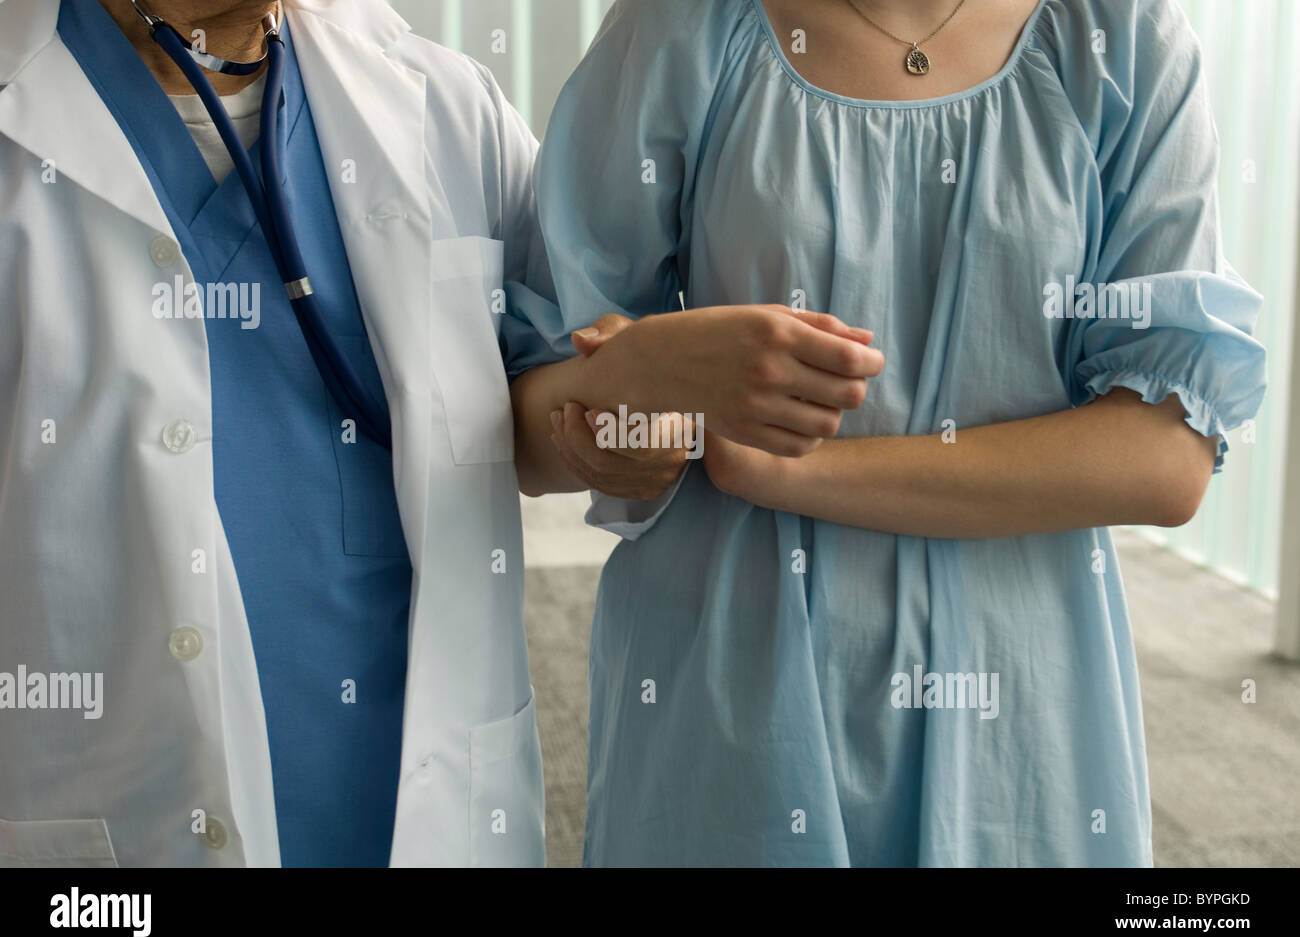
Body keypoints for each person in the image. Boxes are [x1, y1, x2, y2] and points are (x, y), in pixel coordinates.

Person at [0, 0, 880, 867]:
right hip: (106, 822)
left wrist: (632, 404)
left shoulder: (442, 105)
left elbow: (544, 392)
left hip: (410, 811)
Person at [542, 0, 1268, 865]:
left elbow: (1164, 457)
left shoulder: (1125, 39)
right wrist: (631, 409)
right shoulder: (685, 24)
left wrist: (785, 471)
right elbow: (549, 389)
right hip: (732, 697)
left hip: (1022, 720)